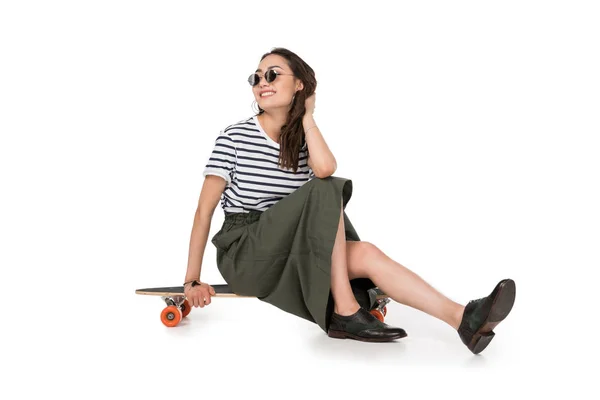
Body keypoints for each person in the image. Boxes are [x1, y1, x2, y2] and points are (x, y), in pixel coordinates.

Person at [182, 47, 516, 353]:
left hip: (290, 248)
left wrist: (307, 117)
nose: (261, 82)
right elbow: (203, 211)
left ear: (300, 84)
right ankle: (345, 309)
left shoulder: (303, 140)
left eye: (272, 74)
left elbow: (324, 168)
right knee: (326, 189)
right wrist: (192, 279)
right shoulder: (235, 137)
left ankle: (464, 320)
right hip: (247, 251)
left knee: (366, 251)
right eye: (256, 77)